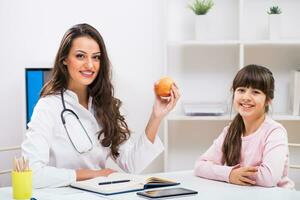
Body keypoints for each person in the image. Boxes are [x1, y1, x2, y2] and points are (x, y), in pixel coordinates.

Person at [22, 23, 180, 188]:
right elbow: (32, 174)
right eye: (80, 56)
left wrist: (156, 116)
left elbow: (133, 164)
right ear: (64, 60)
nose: (90, 65)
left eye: (96, 57)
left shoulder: (103, 106)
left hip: (100, 193)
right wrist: (94, 174)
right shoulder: (47, 106)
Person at [194, 65, 294, 189]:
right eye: (241, 90)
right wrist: (229, 174)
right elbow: (200, 166)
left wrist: (227, 173)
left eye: (255, 92)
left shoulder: (275, 132)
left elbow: (269, 178)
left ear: (268, 100)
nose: (246, 97)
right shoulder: (230, 130)